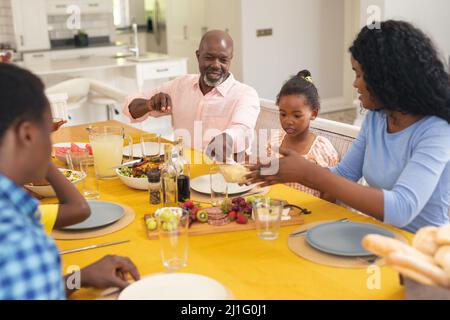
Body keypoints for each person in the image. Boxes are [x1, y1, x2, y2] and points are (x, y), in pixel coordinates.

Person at [248, 20, 450, 233]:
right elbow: (345, 173)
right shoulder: (377, 118)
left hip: (423, 250)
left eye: (359, 74)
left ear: (387, 78)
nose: (355, 84)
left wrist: (309, 173)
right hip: (378, 237)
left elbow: (402, 208)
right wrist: (293, 171)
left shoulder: (437, 129)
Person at [0, 63, 140, 300]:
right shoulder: (18, 244)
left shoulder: (13, 208)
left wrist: (80, 277)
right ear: (27, 135)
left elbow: (40, 288)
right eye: (47, 133)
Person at [123, 30, 260, 162]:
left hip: (224, 177)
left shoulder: (245, 94)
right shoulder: (180, 86)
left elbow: (242, 130)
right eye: (209, 58)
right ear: (198, 56)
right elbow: (129, 106)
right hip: (184, 171)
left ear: (230, 59)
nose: (216, 65)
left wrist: (227, 137)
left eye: (223, 60)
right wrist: (149, 104)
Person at [267, 70, 339, 198]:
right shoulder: (274, 141)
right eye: (283, 114)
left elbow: (330, 193)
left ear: (314, 114)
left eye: (296, 115)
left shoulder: (322, 149)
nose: (288, 121)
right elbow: (267, 178)